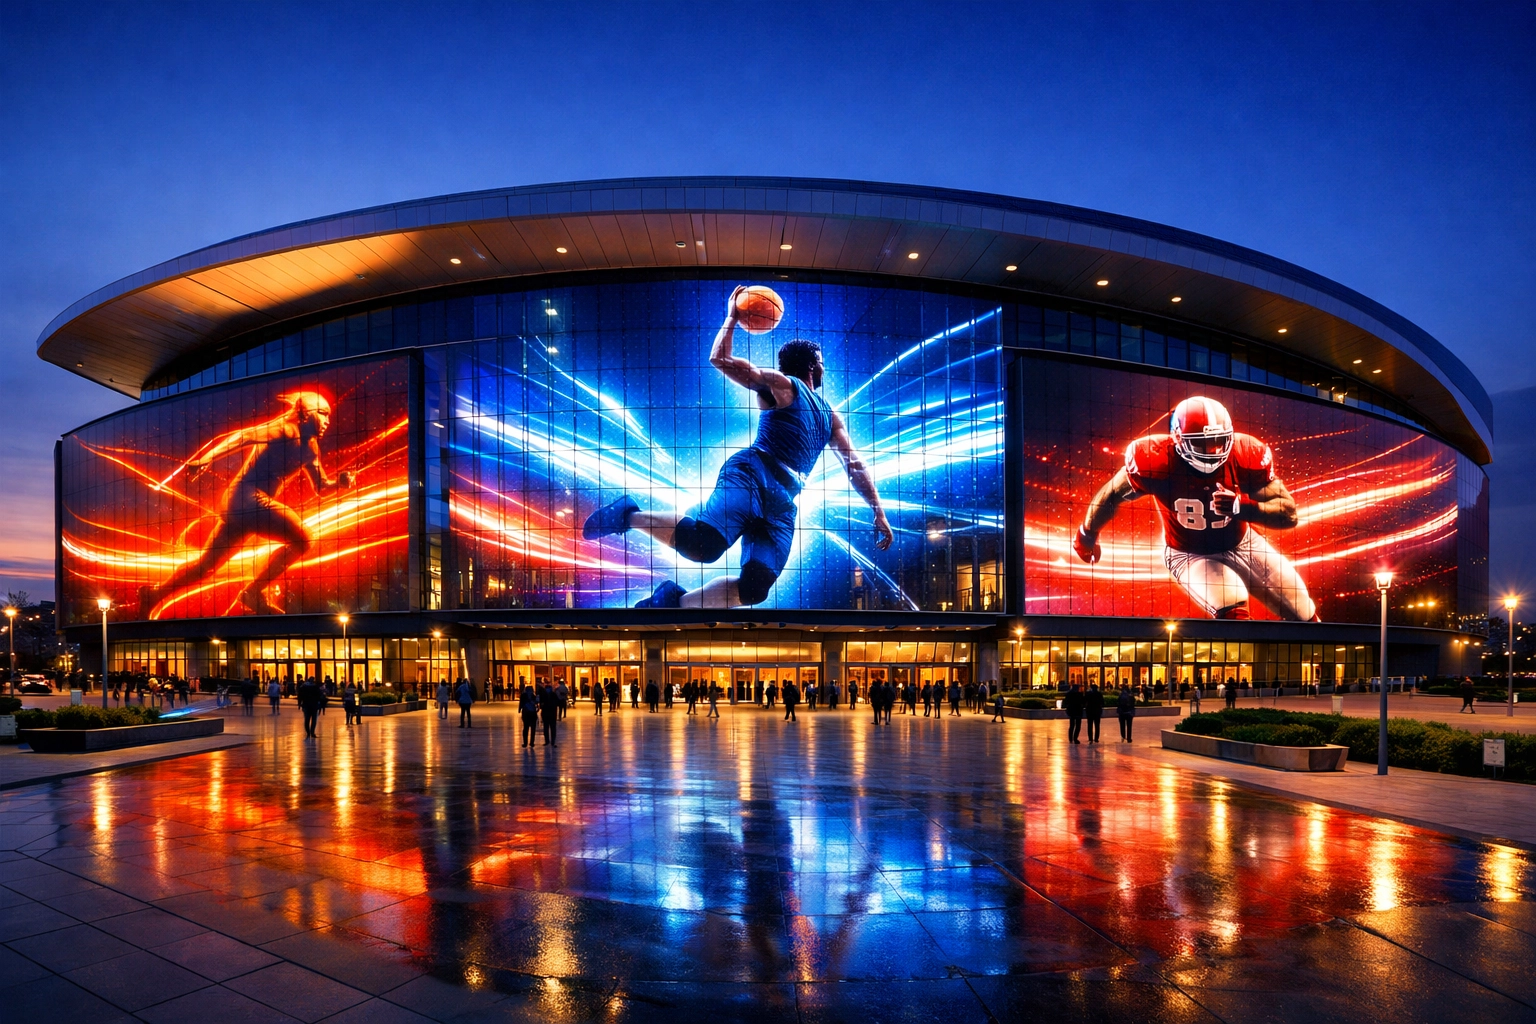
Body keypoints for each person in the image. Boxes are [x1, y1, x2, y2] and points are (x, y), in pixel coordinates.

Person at [583, 286, 894, 609]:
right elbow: (719, 359)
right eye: (823, 364)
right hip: (753, 473)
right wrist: (732, 316)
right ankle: (628, 514)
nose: (825, 369)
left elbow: (854, 465)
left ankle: (673, 602)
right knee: (704, 545)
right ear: (815, 365)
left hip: (783, 500)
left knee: (756, 588)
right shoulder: (783, 385)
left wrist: (877, 510)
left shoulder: (829, 416)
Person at [1073, 395, 1318, 622]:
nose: (1212, 451)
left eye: (1219, 441)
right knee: (1232, 609)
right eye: (1202, 443)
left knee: (1304, 612)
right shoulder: (1154, 459)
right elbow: (1112, 494)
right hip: (1189, 553)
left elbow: (1289, 513)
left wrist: (1241, 506)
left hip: (1243, 542)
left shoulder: (1245, 453)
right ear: (1177, 439)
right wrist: (1087, 533)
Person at [138, 392, 356, 617]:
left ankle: (153, 594)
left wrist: (338, 483)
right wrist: (208, 457)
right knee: (304, 539)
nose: (328, 421)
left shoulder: (311, 449)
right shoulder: (285, 429)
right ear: (307, 412)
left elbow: (320, 486)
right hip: (247, 498)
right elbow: (244, 436)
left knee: (206, 566)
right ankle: (253, 592)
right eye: (323, 414)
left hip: (242, 506)